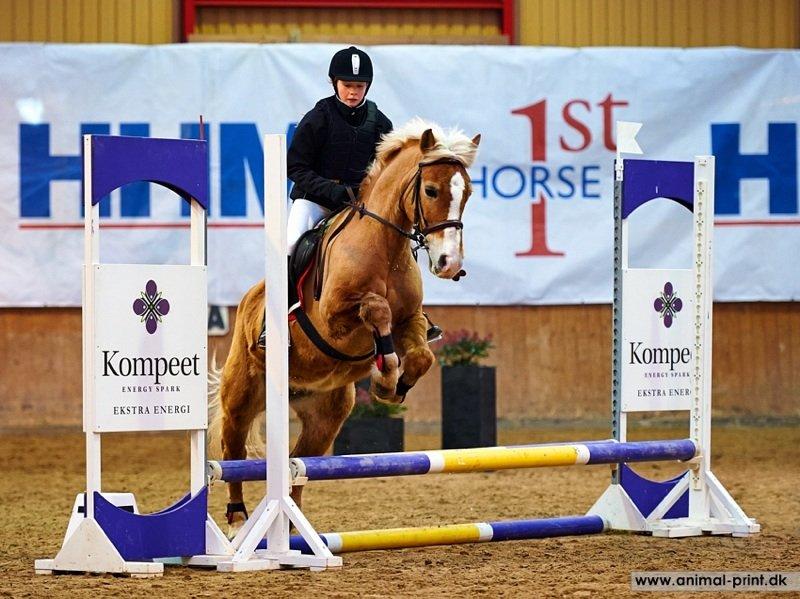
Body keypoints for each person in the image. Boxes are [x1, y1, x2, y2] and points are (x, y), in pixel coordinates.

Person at [286, 45, 393, 257]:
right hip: (314, 202)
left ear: (367, 86)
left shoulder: (381, 124)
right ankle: (289, 291)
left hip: (360, 205)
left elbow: (386, 170)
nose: (353, 92)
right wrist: (332, 190)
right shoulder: (318, 118)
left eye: (359, 86)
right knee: (291, 244)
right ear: (334, 83)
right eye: (347, 85)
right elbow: (295, 167)